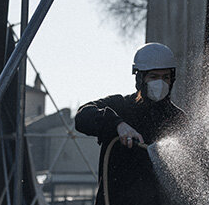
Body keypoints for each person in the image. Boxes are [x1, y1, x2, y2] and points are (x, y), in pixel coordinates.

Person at [75, 42, 187, 205]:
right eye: (154, 77)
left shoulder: (178, 118)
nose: (160, 83)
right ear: (140, 78)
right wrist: (117, 124)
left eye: (165, 77)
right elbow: (82, 117)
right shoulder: (119, 107)